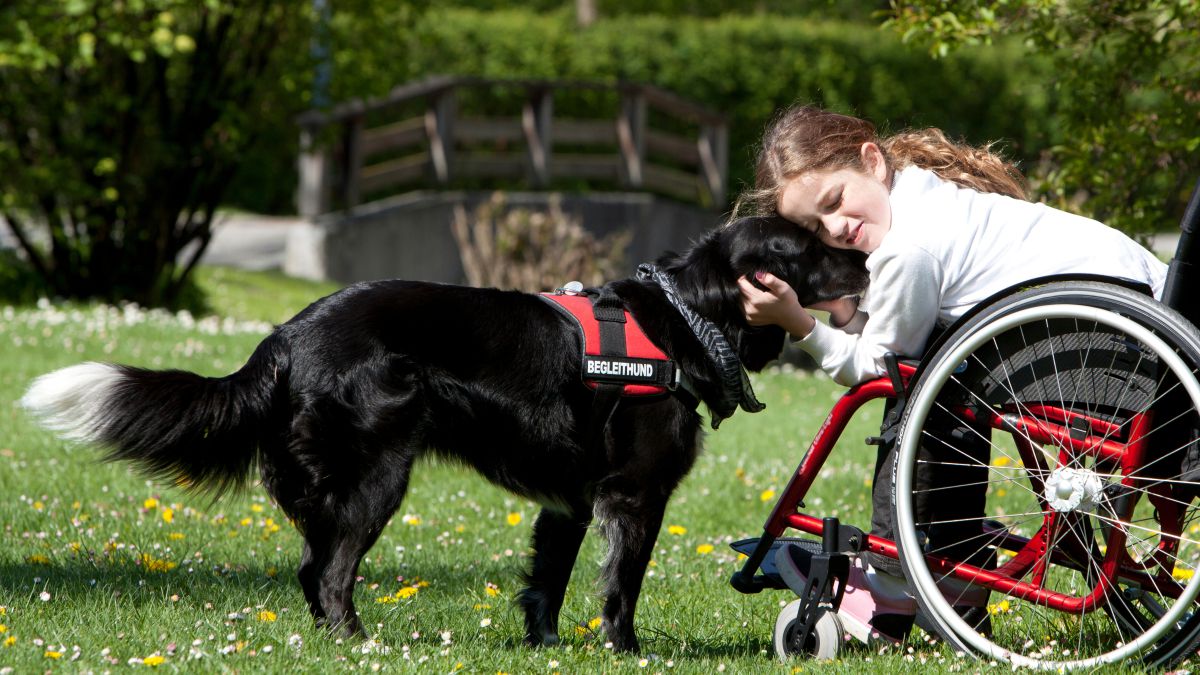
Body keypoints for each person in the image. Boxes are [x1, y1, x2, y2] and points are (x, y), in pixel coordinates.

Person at [735, 105, 1168, 642]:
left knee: (918, 385)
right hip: (1137, 334)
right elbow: (899, 331)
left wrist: (797, 323)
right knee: (939, 369)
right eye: (814, 227)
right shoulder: (930, 197)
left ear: (872, 161)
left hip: (1102, 355)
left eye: (834, 201)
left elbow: (876, 367)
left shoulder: (909, 247)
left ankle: (896, 574)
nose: (836, 228)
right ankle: (949, 565)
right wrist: (845, 312)